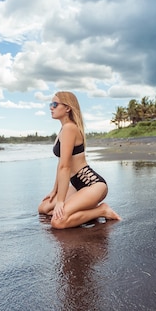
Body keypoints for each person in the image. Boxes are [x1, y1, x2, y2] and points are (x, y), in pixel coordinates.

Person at [38, 91, 121, 229]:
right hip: (77, 185)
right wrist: (55, 190)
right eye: (50, 104)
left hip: (92, 185)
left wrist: (60, 202)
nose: (50, 107)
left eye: (54, 104)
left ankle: (102, 210)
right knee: (44, 208)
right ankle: (80, 208)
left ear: (67, 108)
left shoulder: (70, 128)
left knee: (57, 222)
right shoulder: (63, 129)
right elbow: (61, 164)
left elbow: (65, 167)